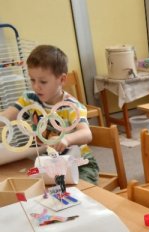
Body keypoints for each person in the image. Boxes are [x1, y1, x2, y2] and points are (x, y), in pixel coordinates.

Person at [0, 44, 99, 183]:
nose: (36, 86)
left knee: (79, 191)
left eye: (43, 81)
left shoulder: (71, 107)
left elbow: (87, 134)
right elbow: (6, 117)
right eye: (32, 80)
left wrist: (67, 139)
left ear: (62, 80)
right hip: (48, 160)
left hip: (79, 163)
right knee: (32, 186)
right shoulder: (29, 99)